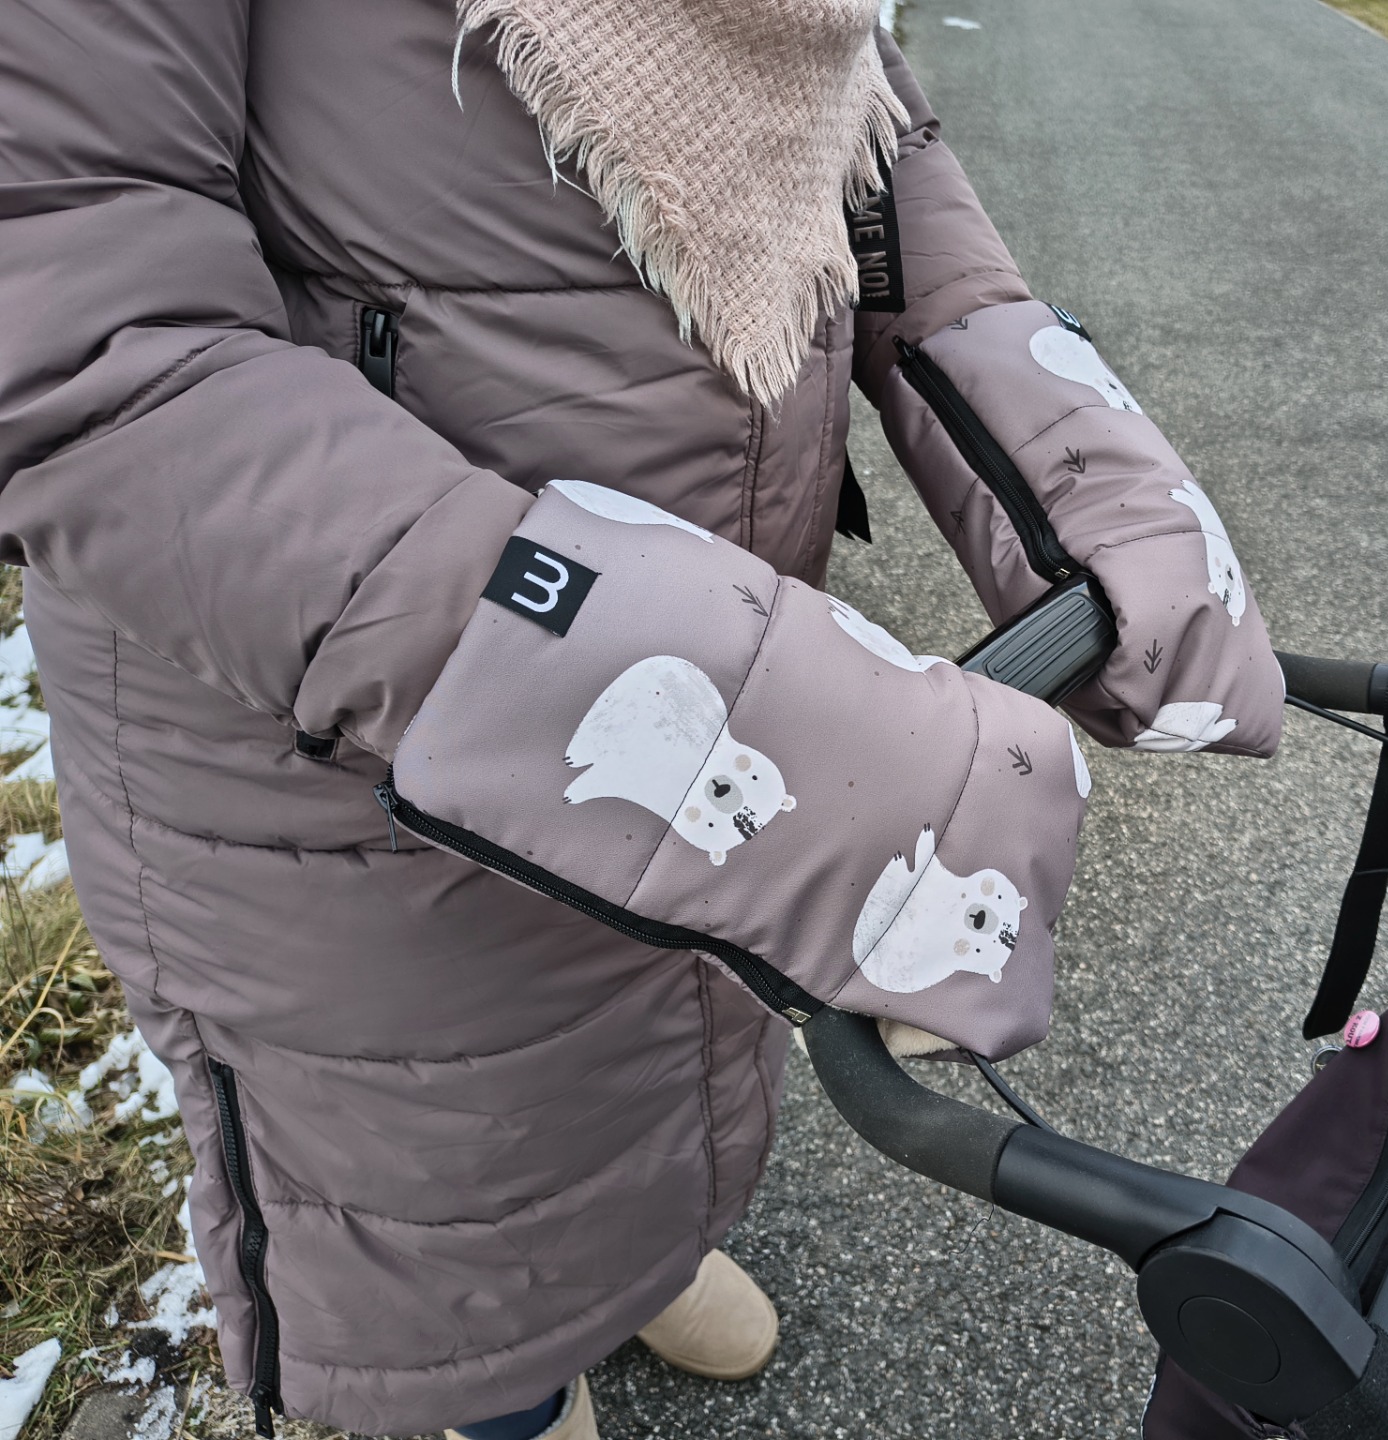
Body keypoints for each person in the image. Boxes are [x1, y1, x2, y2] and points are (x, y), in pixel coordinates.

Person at [0, 3, 1287, 1437]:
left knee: (660, 1042)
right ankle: (512, 1388)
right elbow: (85, 339)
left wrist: (1077, 455)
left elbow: (857, 129)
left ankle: (633, 1262)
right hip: (333, 743)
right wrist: (730, 702)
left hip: (711, 601)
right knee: (445, 1167)